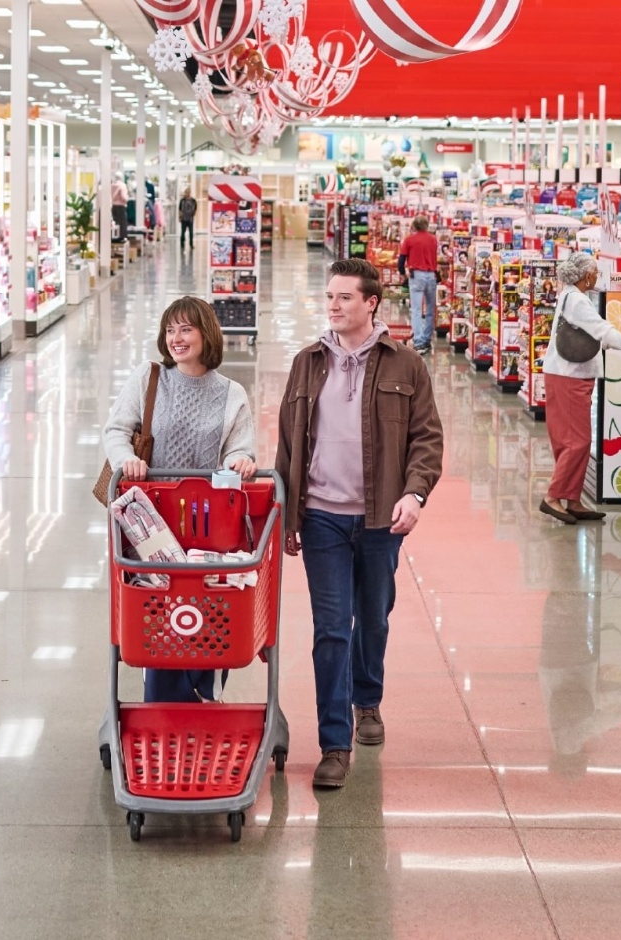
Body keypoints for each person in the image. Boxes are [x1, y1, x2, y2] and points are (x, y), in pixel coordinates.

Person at [275, 258, 444, 788]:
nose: (333, 306)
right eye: (330, 297)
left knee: (372, 618)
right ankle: (334, 743)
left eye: (345, 297)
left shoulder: (405, 365)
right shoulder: (307, 362)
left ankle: (367, 699)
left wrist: (415, 494)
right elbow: (286, 444)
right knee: (330, 629)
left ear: (372, 303)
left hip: (379, 521)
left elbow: (427, 438)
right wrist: (286, 517)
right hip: (322, 516)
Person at [102, 296, 257, 703]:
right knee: (158, 610)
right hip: (151, 521)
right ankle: (164, 703)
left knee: (206, 610)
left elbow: (240, 448)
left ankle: (203, 695)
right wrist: (128, 459)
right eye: (170, 330)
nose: (176, 338)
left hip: (206, 526)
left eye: (186, 329)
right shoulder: (150, 378)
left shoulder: (231, 393)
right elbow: (116, 430)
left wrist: (240, 460)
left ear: (207, 333)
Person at [540, 253, 621, 524]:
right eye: (594, 272)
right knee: (576, 441)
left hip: (567, 375)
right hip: (568, 378)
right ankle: (553, 497)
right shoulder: (578, 301)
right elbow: (604, 331)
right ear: (585, 276)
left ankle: (572, 499)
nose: (597, 276)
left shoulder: (570, 295)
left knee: (568, 440)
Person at [397, 214, 439, 354]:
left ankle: (419, 341)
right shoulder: (433, 240)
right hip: (431, 275)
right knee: (430, 309)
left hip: (416, 276)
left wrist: (403, 275)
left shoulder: (409, 240)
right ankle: (427, 339)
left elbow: (401, 261)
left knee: (416, 310)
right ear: (427, 225)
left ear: (414, 226)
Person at [111, 171, 128, 241]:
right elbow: (124, 197)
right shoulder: (122, 185)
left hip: (113, 206)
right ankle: (122, 237)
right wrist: (127, 199)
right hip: (121, 206)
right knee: (122, 222)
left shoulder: (112, 185)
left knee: (115, 222)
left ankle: (114, 237)